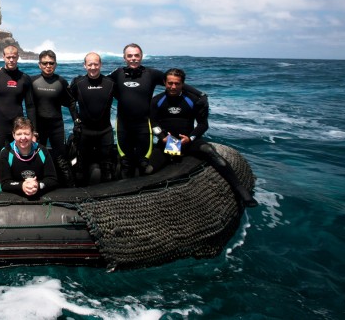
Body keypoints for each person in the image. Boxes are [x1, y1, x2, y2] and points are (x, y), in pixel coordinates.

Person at [150, 68, 258, 207]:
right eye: (170, 83)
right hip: (169, 142)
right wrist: (162, 136)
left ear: (183, 84)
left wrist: (190, 138)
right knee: (150, 169)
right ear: (164, 82)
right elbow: (152, 122)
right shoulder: (157, 101)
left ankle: (240, 190)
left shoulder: (193, 100)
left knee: (210, 152)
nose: (173, 87)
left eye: (177, 83)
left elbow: (203, 124)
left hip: (189, 141)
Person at [108, 43, 203, 178]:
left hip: (144, 124)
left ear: (141, 56)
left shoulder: (151, 74)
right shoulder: (118, 73)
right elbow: (101, 83)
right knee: (125, 162)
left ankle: (150, 188)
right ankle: (123, 190)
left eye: (136, 55)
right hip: (123, 124)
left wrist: (200, 95)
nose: (133, 58)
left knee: (144, 163)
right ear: (124, 57)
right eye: (130, 56)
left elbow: (174, 81)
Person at [0, 45, 37, 191]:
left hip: (17, 130)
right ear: (3, 57)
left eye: (14, 57)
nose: (11, 60)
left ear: (18, 57)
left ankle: (16, 194)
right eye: (8, 57)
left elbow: (30, 106)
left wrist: (33, 132)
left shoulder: (24, 78)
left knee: (16, 164)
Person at [69, 52, 116, 185]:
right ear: (85, 65)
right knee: (81, 167)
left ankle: (108, 196)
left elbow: (126, 98)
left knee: (107, 167)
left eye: (96, 64)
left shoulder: (110, 83)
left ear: (100, 64)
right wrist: (76, 119)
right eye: (90, 64)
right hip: (85, 132)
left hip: (105, 131)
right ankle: (80, 194)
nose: (93, 67)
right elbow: (69, 101)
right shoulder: (78, 83)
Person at [31, 49, 76, 186]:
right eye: (44, 63)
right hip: (39, 126)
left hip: (56, 126)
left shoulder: (61, 82)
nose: (48, 66)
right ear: (39, 65)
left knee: (61, 157)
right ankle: (37, 185)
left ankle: (69, 188)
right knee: (37, 156)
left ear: (55, 64)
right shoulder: (32, 81)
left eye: (51, 63)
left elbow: (71, 102)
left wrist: (77, 121)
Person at [0, 117, 58, 198]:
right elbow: (5, 183)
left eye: (26, 134)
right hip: (14, 196)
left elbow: (52, 179)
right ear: (13, 135)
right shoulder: (6, 152)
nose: (23, 138)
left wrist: (38, 185)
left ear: (32, 134)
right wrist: (22, 186)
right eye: (19, 134)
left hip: (37, 192)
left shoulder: (42, 151)